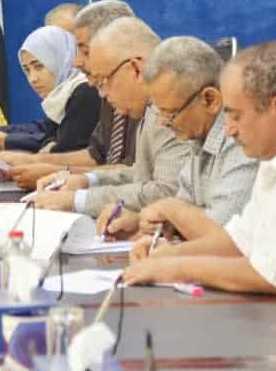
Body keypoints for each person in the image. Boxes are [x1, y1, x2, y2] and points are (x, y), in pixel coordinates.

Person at [124, 41, 276, 331]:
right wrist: (168, 253)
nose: (229, 129)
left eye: (235, 115)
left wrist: (176, 268)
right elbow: (239, 243)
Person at [94, 36, 258, 239]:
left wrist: (170, 210)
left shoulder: (242, 140)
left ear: (210, 100)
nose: (162, 122)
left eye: (170, 113)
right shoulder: (198, 138)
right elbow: (182, 213)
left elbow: (224, 235)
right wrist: (139, 224)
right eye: (158, 111)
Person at [30, 17, 189, 215]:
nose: (102, 94)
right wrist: (87, 181)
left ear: (136, 69)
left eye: (103, 81)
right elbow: (142, 174)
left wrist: (76, 200)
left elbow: (166, 191)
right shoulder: (149, 108)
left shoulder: (171, 109)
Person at [0, 0, 137, 189]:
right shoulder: (105, 88)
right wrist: (33, 161)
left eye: (84, 50)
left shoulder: (153, 102)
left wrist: (59, 172)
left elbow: (135, 174)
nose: (75, 61)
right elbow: (94, 155)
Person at [0, 26, 99, 153]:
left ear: (61, 59)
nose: (32, 79)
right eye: (27, 70)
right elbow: (45, 131)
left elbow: (63, 151)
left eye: (39, 66)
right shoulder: (63, 95)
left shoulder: (84, 91)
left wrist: (0, 139)